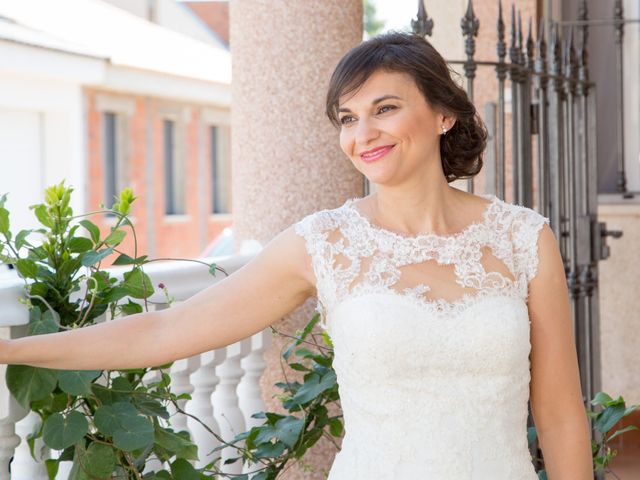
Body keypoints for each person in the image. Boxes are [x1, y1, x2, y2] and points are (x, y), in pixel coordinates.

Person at [1, 32, 592, 479]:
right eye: (347, 118)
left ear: (444, 115)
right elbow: (165, 332)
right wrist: (11, 349)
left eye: (384, 108)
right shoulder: (323, 243)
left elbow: (561, 413)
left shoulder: (520, 237)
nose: (364, 134)